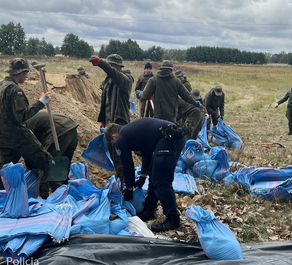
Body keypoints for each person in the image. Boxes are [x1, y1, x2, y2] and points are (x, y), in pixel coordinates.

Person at [104, 118, 187, 232]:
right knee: (155, 175)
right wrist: (143, 176)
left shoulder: (122, 137)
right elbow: (147, 153)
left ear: (114, 136)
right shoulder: (132, 131)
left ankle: (173, 219)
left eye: (114, 143)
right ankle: (149, 209)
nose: (116, 145)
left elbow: (127, 165)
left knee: (161, 181)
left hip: (168, 138)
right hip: (172, 135)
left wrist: (129, 189)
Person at [0, 58, 52, 190]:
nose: (27, 75)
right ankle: (52, 192)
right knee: (46, 161)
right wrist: (41, 102)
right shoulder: (14, 90)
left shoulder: (1, 86)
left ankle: (4, 199)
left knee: (3, 170)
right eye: (26, 72)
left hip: (3, 137)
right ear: (20, 72)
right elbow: (23, 116)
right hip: (18, 136)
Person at [89, 54, 134, 187]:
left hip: (120, 124)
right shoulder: (108, 82)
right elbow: (106, 102)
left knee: (121, 156)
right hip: (110, 123)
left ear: (119, 67)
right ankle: (120, 179)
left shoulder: (126, 79)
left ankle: (125, 185)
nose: (109, 69)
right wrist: (103, 120)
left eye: (111, 66)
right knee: (114, 156)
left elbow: (117, 77)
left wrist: (102, 63)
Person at [25, 110, 79, 198]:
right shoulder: (30, 116)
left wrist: (31, 167)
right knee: (63, 166)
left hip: (58, 131)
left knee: (47, 162)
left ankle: (43, 196)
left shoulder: (21, 125)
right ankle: (64, 193)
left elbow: (29, 150)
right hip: (72, 129)